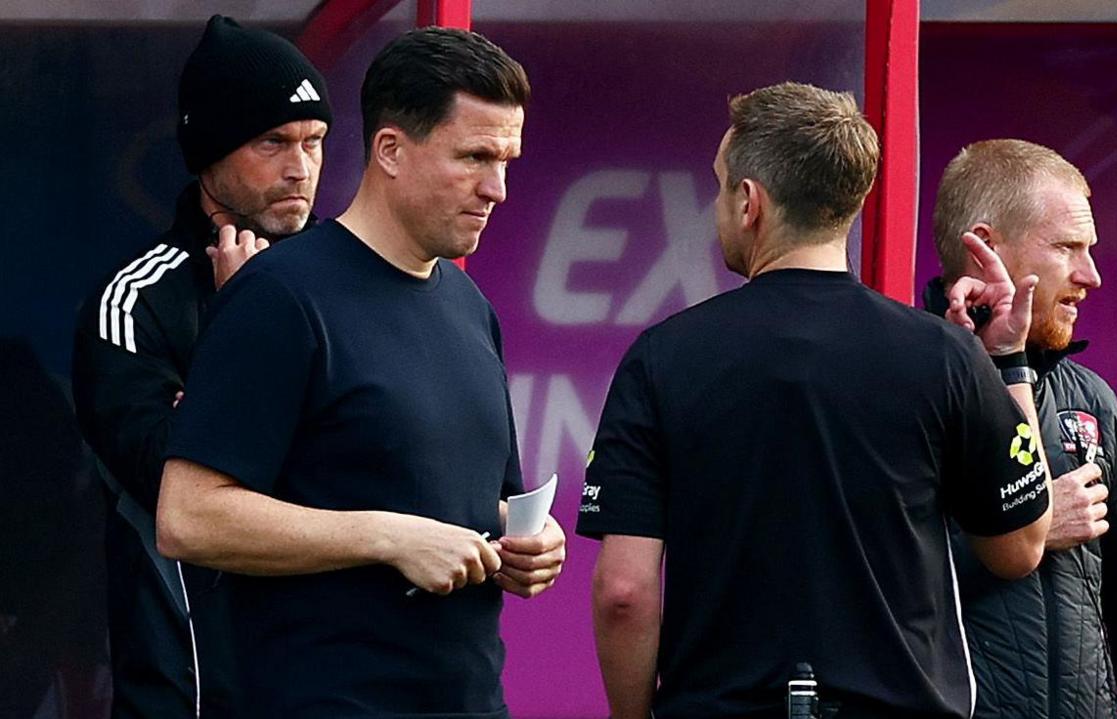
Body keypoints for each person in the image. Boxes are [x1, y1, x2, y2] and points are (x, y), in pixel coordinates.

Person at [578, 82, 1054, 719]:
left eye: (720, 185)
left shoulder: (662, 358)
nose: (717, 205)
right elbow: (1021, 545)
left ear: (749, 202)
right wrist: (1009, 363)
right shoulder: (944, 356)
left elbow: (625, 592)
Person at [154, 27, 566, 717]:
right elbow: (188, 517)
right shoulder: (281, 296)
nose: (497, 188)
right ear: (391, 151)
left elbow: (464, 499)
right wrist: (387, 536)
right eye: (473, 157)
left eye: (507, 160)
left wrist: (523, 537)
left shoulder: (469, 305)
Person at [71, 15, 331, 717]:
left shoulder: (350, 285)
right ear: (210, 156)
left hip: (338, 682)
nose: (299, 167)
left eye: (314, 142)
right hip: (194, 693)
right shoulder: (135, 303)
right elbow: (190, 494)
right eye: (272, 142)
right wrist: (242, 324)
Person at [926, 138, 1117, 719]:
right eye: (1068, 247)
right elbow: (859, 584)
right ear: (985, 248)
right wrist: (1026, 524)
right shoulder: (903, 385)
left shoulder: (1090, 401)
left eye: (1089, 249)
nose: (1090, 275)